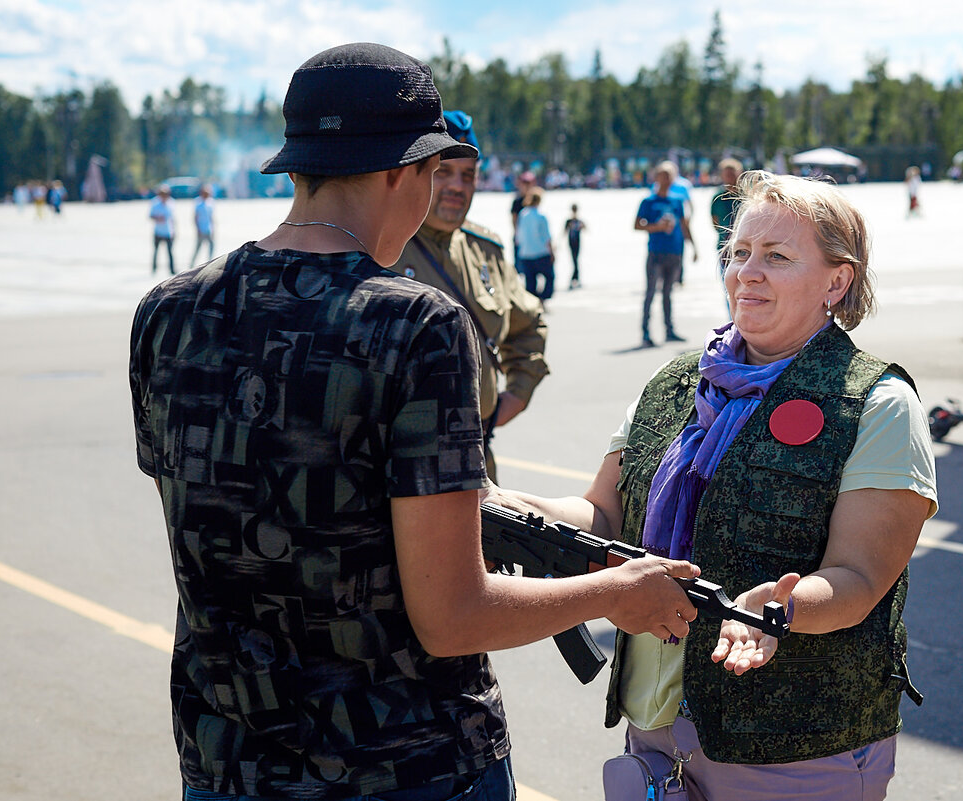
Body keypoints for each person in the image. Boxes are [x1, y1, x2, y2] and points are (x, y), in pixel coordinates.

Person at [130, 43, 699, 801]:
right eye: (435, 175)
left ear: (298, 166)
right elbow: (453, 616)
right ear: (405, 170)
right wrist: (615, 593)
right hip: (402, 765)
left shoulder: (167, 312)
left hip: (227, 761)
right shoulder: (414, 323)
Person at [489, 170, 937, 800]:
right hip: (656, 725)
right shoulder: (677, 383)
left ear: (837, 280)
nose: (746, 272)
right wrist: (505, 506)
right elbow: (602, 515)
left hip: (793, 745)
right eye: (739, 253)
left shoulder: (876, 402)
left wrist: (778, 609)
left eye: (777, 257)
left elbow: (859, 579)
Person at [390, 109, 550, 480]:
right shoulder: (385, 248)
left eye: (468, 175)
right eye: (442, 172)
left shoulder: (485, 250)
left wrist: (517, 393)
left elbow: (529, 324)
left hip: (477, 461)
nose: (457, 187)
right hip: (401, 469)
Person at [635, 161, 697, 347]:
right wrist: (657, 227)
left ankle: (669, 330)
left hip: (675, 252)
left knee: (668, 293)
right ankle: (645, 332)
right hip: (656, 252)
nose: (667, 180)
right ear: (656, 177)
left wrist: (694, 247)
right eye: (663, 176)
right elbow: (637, 225)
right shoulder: (648, 202)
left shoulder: (677, 201)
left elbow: (684, 225)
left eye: (670, 176)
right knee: (651, 292)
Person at [710, 157, 743, 315]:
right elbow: (715, 223)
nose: (730, 177)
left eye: (733, 173)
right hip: (726, 250)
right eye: (727, 174)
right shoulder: (718, 198)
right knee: (729, 290)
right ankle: (733, 323)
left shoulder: (747, 196)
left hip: (746, 251)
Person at [515, 186, 555, 301]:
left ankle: (534, 301)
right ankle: (543, 297)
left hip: (526, 252)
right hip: (541, 252)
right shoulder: (541, 216)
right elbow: (547, 236)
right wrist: (552, 252)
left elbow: (519, 234)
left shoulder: (523, 214)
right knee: (549, 277)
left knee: (530, 281)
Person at [510, 170, 536, 272]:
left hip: (532, 235)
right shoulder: (517, 201)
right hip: (521, 235)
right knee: (519, 264)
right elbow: (514, 218)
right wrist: (517, 234)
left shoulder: (534, 200)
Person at [149, 184, 175, 275]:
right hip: (158, 231)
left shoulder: (171, 202)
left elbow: (173, 217)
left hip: (168, 231)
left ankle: (172, 269)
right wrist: (158, 218)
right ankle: (154, 268)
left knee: (170, 252)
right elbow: (150, 215)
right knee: (156, 251)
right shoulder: (155, 203)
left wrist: (174, 230)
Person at [190, 183, 216, 268]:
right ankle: (192, 264)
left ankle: (210, 263)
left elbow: (211, 216)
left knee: (211, 246)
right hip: (201, 229)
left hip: (209, 228)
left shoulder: (211, 202)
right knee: (198, 247)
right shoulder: (198, 202)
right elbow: (195, 217)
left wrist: (213, 228)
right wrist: (197, 228)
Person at [564, 203, 586, 289]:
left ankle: (575, 278)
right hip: (571, 243)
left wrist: (581, 226)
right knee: (575, 261)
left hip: (577, 243)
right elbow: (564, 232)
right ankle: (575, 278)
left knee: (576, 261)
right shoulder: (569, 221)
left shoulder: (579, 221)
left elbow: (586, 229)